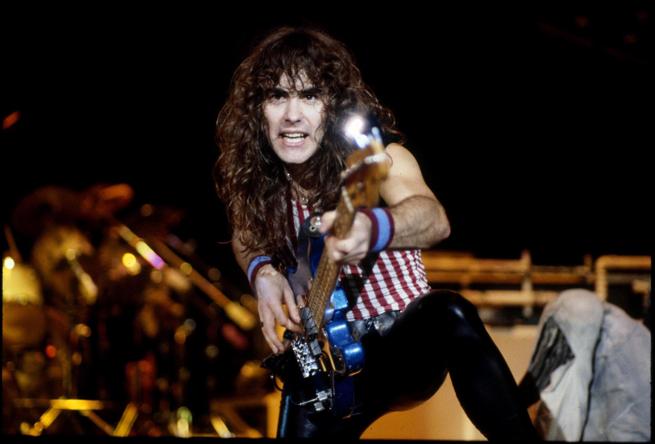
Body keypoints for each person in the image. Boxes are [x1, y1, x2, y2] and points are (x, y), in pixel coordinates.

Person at [214, 26, 538, 440]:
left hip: (402, 346)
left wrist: (372, 227)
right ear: (258, 110)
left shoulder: (379, 160)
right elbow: (243, 232)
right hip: (323, 365)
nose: (292, 114)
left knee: (450, 312)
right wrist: (261, 271)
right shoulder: (259, 185)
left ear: (332, 107)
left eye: (309, 96)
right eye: (277, 96)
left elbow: (434, 219)